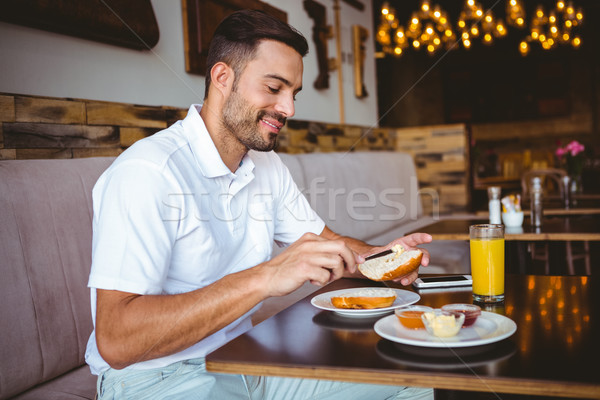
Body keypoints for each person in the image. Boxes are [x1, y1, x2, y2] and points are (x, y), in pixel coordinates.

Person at [86, 9, 433, 400]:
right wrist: (266, 277)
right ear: (222, 78)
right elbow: (115, 342)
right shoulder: (148, 172)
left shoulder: (264, 163)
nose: (289, 109)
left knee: (416, 380)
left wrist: (382, 258)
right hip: (158, 379)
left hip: (245, 361)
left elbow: (325, 244)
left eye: (293, 93)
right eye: (274, 88)